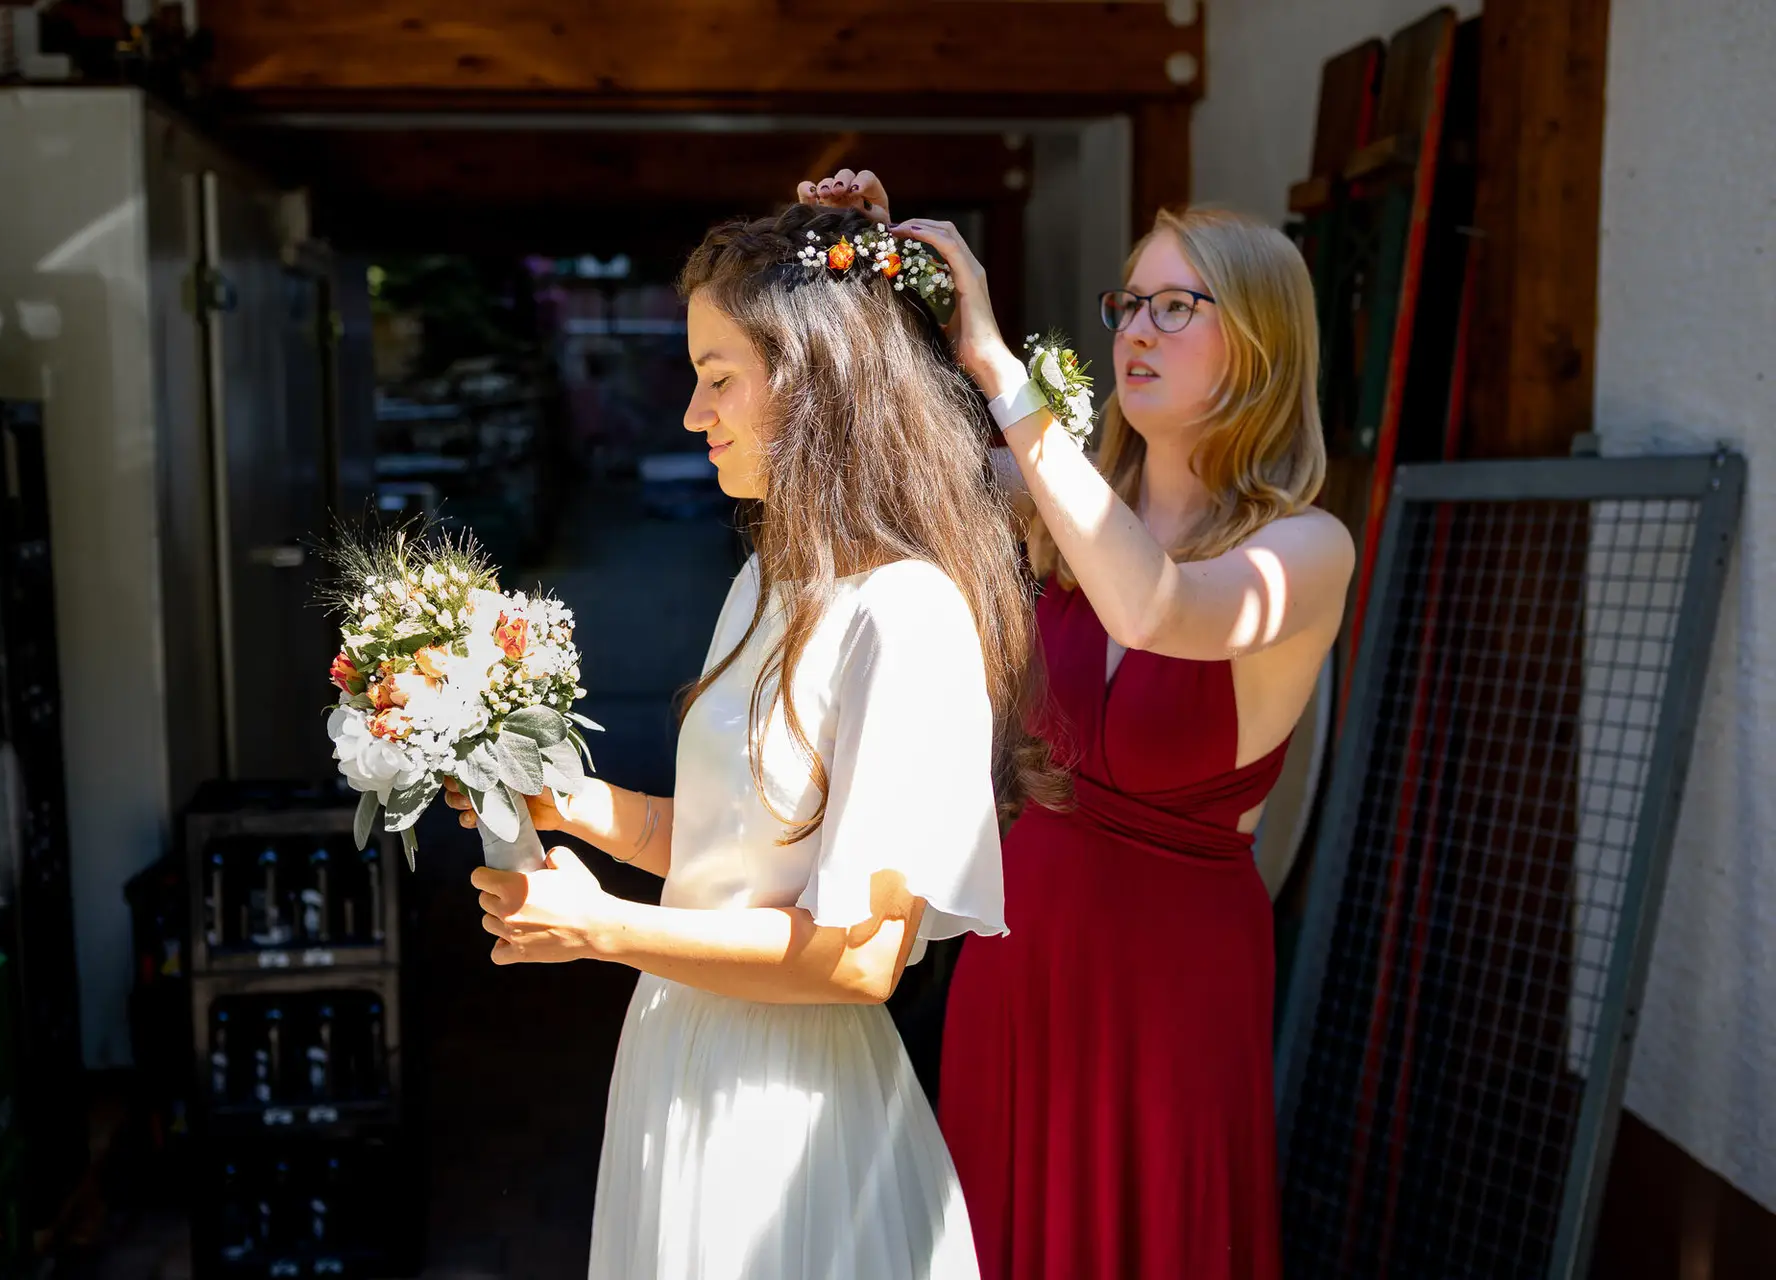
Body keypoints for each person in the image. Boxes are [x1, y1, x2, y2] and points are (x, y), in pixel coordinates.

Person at [450, 201, 1062, 1280]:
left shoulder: (906, 612)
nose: (693, 412)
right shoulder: (767, 581)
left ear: (814, 377)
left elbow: (861, 956)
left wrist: (600, 926)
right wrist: (577, 805)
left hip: (791, 1116)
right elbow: (741, 856)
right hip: (680, 1066)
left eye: (718, 375)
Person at [802, 169, 1352, 1277]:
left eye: (1175, 305)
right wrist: (869, 273)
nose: (1135, 330)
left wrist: (1004, 366)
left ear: (1260, 342)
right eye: (1128, 304)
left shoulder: (1307, 550)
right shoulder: (1059, 504)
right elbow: (884, 459)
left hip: (1171, 985)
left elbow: (1153, 604)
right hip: (1022, 957)